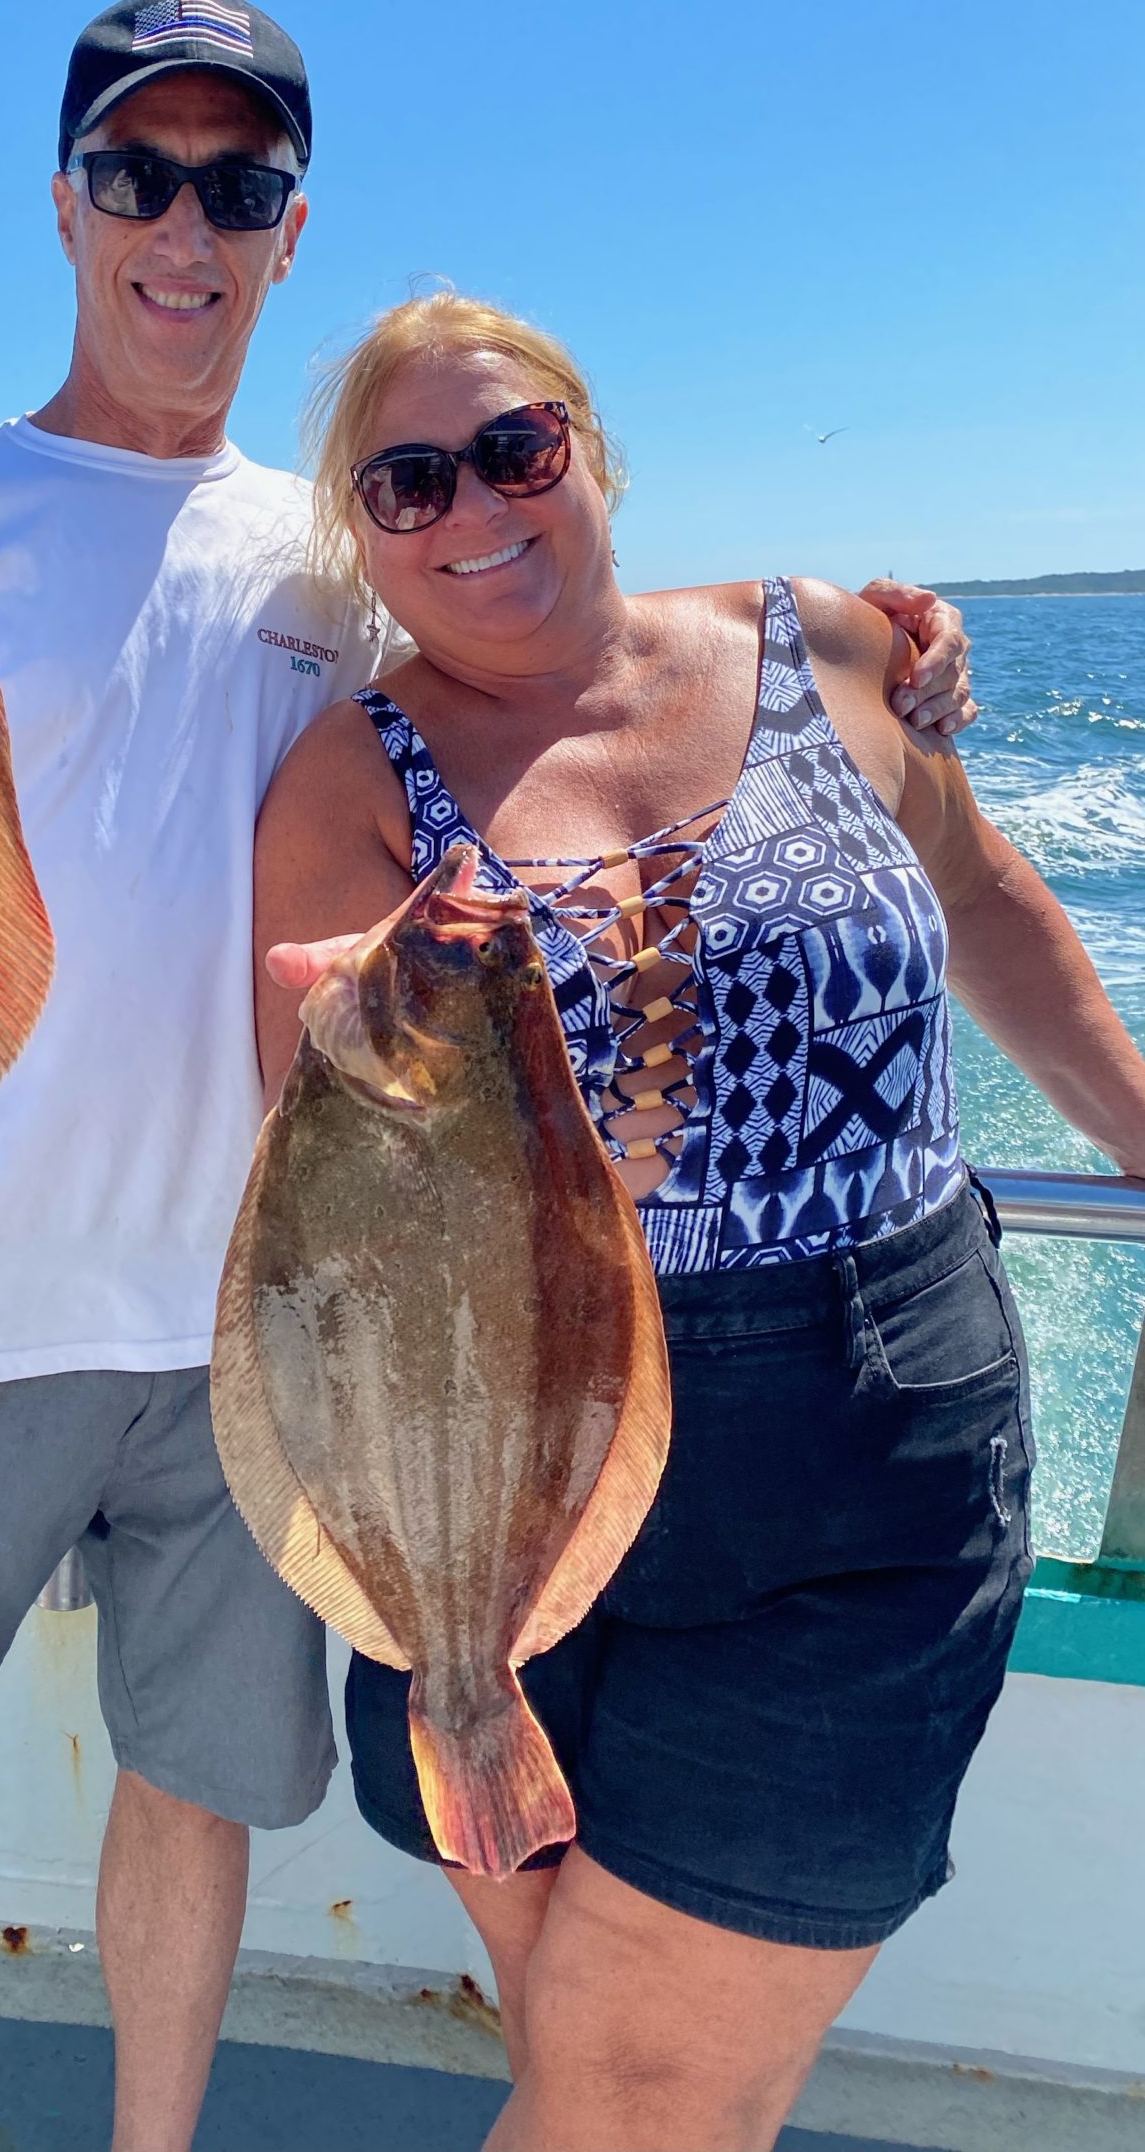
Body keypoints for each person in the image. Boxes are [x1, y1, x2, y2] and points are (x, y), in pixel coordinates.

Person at [0, 0, 974, 2152]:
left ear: (286, 230)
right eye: (138, 173)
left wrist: (849, 621)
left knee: (197, 1782)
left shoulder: (332, 559)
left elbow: (539, 612)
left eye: (234, 187)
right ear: (66, 206)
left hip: (268, 1327)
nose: (183, 224)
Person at [253, 289, 1145, 2152]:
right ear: (366, 537)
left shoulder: (822, 642)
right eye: (410, 482)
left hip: (862, 1442)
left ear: (589, 452)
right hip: (490, 1462)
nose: (475, 507)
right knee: (602, 2076)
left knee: (637, 2096)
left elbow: (980, 899)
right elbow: (313, 1174)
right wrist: (439, 1077)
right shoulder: (350, 783)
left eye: (515, 448)